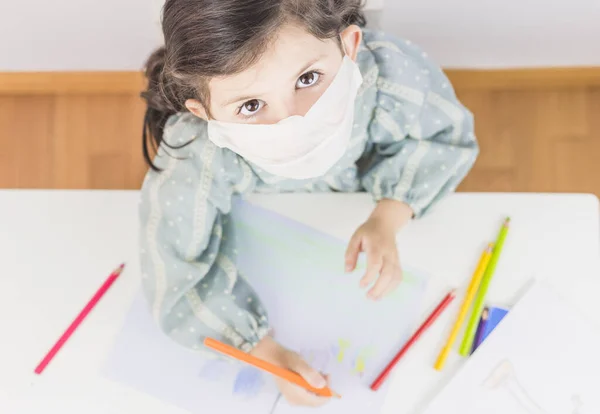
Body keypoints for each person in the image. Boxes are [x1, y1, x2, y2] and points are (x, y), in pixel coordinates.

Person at [139, 0, 478, 407]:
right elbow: (175, 278)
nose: (291, 123)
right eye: (251, 106)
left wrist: (389, 215)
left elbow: (440, 139)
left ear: (349, 45)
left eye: (308, 78)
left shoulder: (389, 74)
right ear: (204, 112)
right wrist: (266, 353)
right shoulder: (193, 152)